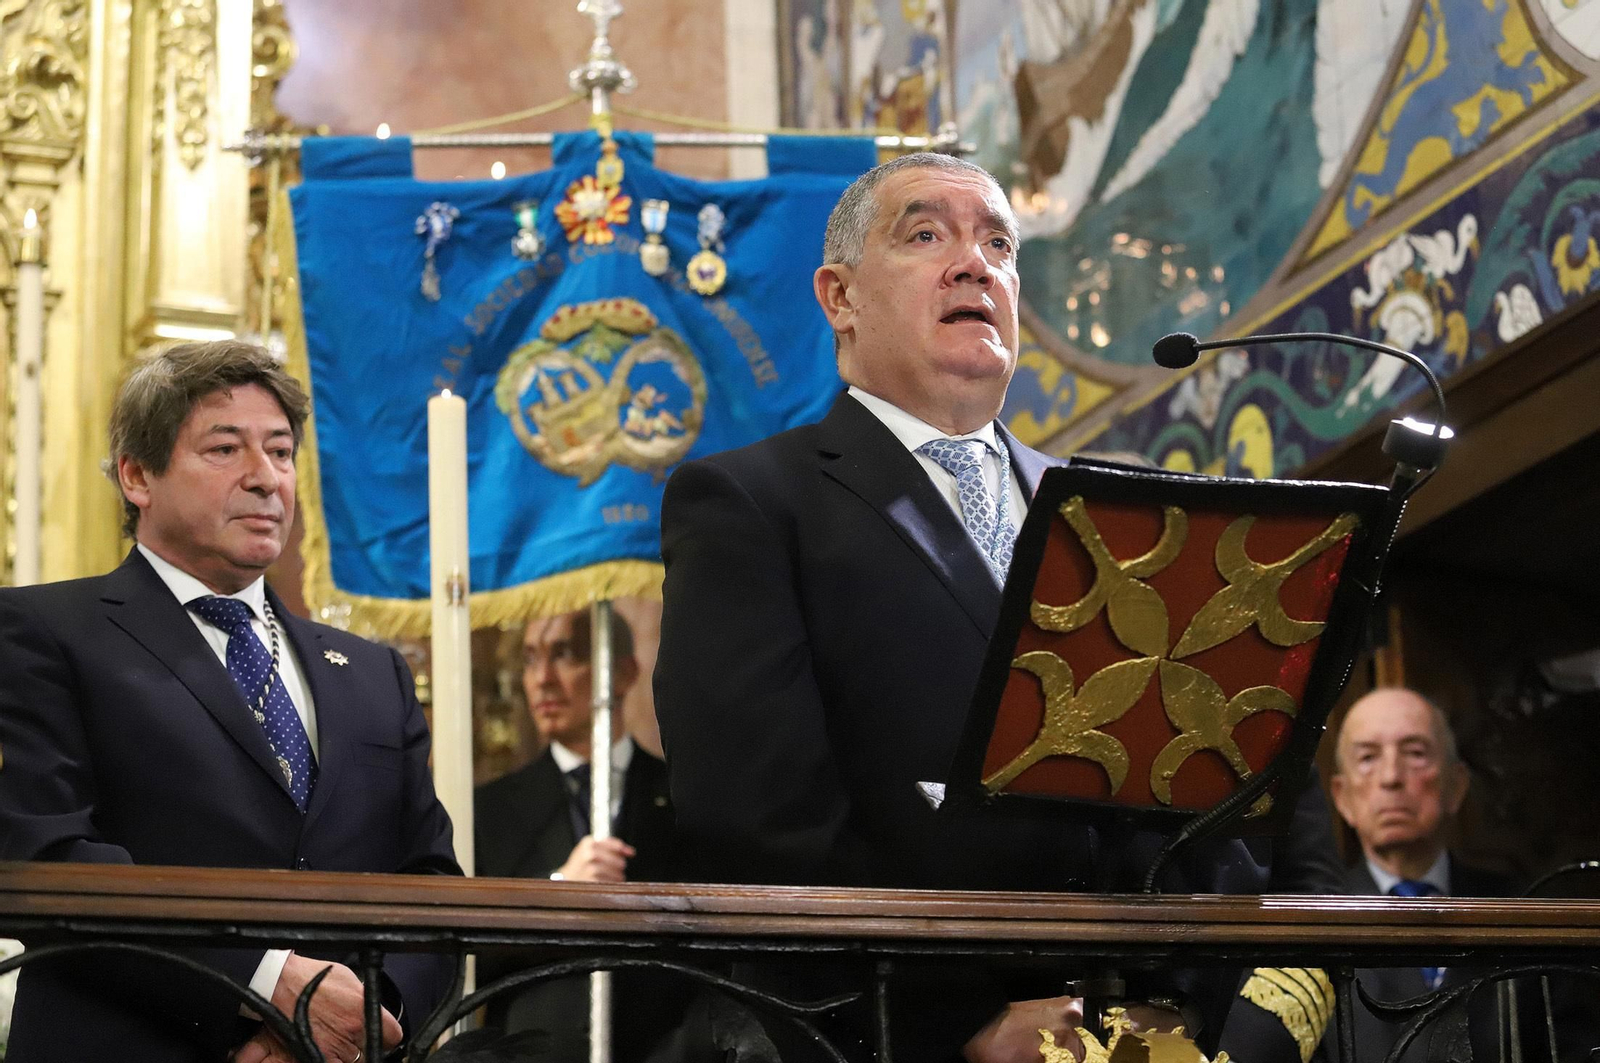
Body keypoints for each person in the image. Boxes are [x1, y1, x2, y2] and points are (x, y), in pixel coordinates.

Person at [653, 153, 1342, 1063]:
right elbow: (759, 819)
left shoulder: (1126, 511)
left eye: (998, 243)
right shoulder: (752, 503)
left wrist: (1255, 1006)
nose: (974, 263)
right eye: (926, 233)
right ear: (840, 297)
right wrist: (955, 1027)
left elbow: (1251, 747)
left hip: (1178, 1033)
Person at [0, 340, 461, 1063]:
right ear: (136, 475)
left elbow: (431, 881)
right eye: (226, 449)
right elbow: (50, 858)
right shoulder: (44, 633)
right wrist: (268, 990)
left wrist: (365, 1016)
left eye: (280, 452)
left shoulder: (374, 672)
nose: (266, 478)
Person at [474, 608, 681, 1057]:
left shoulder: (680, 799)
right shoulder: (489, 810)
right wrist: (560, 891)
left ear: (623, 672)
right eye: (530, 659)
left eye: (564, 655)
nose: (542, 679)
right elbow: (474, 954)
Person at [1328, 687, 1521, 1061]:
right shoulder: (1311, 921)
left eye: (1415, 754)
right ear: (1342, 798)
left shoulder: (1521, 911)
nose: (1391, 778)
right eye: (1367, 758)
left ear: (1456, 785)